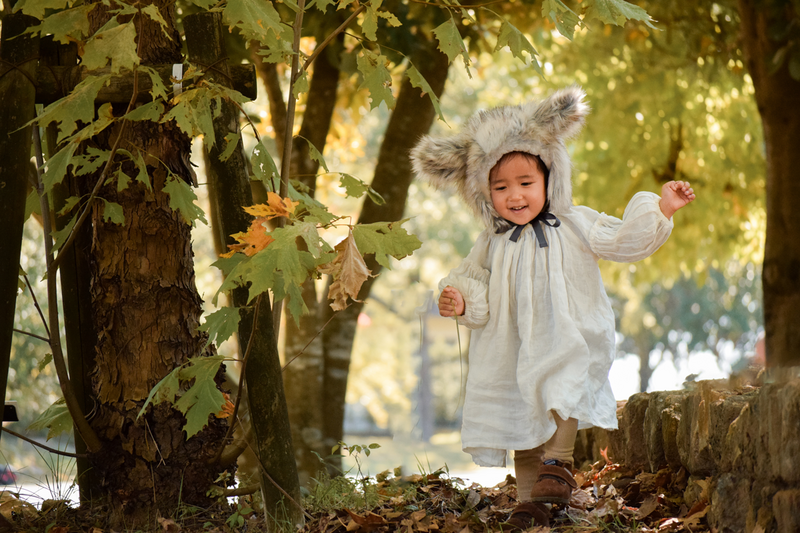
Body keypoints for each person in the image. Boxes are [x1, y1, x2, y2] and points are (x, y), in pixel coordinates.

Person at [410, 86, 695, 528]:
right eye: (501, 187)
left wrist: (661, 209)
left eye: (526, 183)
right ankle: (531, 505)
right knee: (522, 422)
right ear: (484, 193)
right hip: (512, 346)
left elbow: (621, 241)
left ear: (549, 178)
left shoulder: (576, 223)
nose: (515, 195)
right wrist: (459, 299)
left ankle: (560, 462)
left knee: (563, 384)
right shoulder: (491, 242)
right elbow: (473, 285)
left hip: (565, 332)